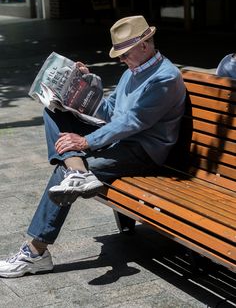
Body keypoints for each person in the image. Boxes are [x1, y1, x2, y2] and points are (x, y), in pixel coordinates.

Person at [0, 15, 186, 278]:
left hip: (141, 152)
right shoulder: (133, 71)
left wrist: (85, 141)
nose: (121, 59)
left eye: (124, 53)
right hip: (121, 140)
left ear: (144, 45)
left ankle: (35, 252)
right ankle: (78, 170)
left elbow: (133, 122)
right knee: (53, 112)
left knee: (63, 173)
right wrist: (85, 85)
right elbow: (108, 111)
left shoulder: (164, 78)